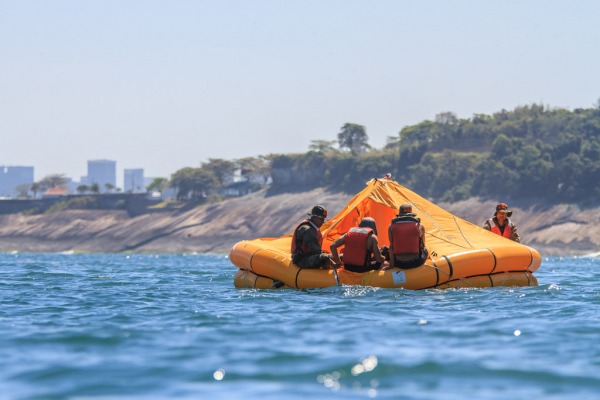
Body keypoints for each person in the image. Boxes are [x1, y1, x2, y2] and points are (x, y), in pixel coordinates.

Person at [387, 204, 428, 269]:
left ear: (400, 215)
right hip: (416, 262)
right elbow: (422, 246)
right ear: (411, 215)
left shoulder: (391, 227)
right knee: (426, 250)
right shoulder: (420, 226)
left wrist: (392, 265)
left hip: (399, 263)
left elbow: (391, 247)